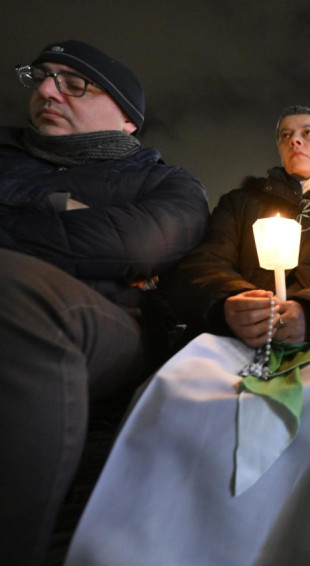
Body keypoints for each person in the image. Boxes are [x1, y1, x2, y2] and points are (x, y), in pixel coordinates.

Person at [66, 106, 310, 565]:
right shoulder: (241, 203)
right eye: (285, 134)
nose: (295, 140)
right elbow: (202, 264)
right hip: (245, 330)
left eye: (307, 132)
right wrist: (231, 301)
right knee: (181, 392)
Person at [0, 40, 209, 566]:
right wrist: (53, 204)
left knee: (16, 293)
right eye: (41, 77)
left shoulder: (167, 182)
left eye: (74, 85)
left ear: (127, 119)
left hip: (107, 318)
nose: (48, 92)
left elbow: (138, 246)